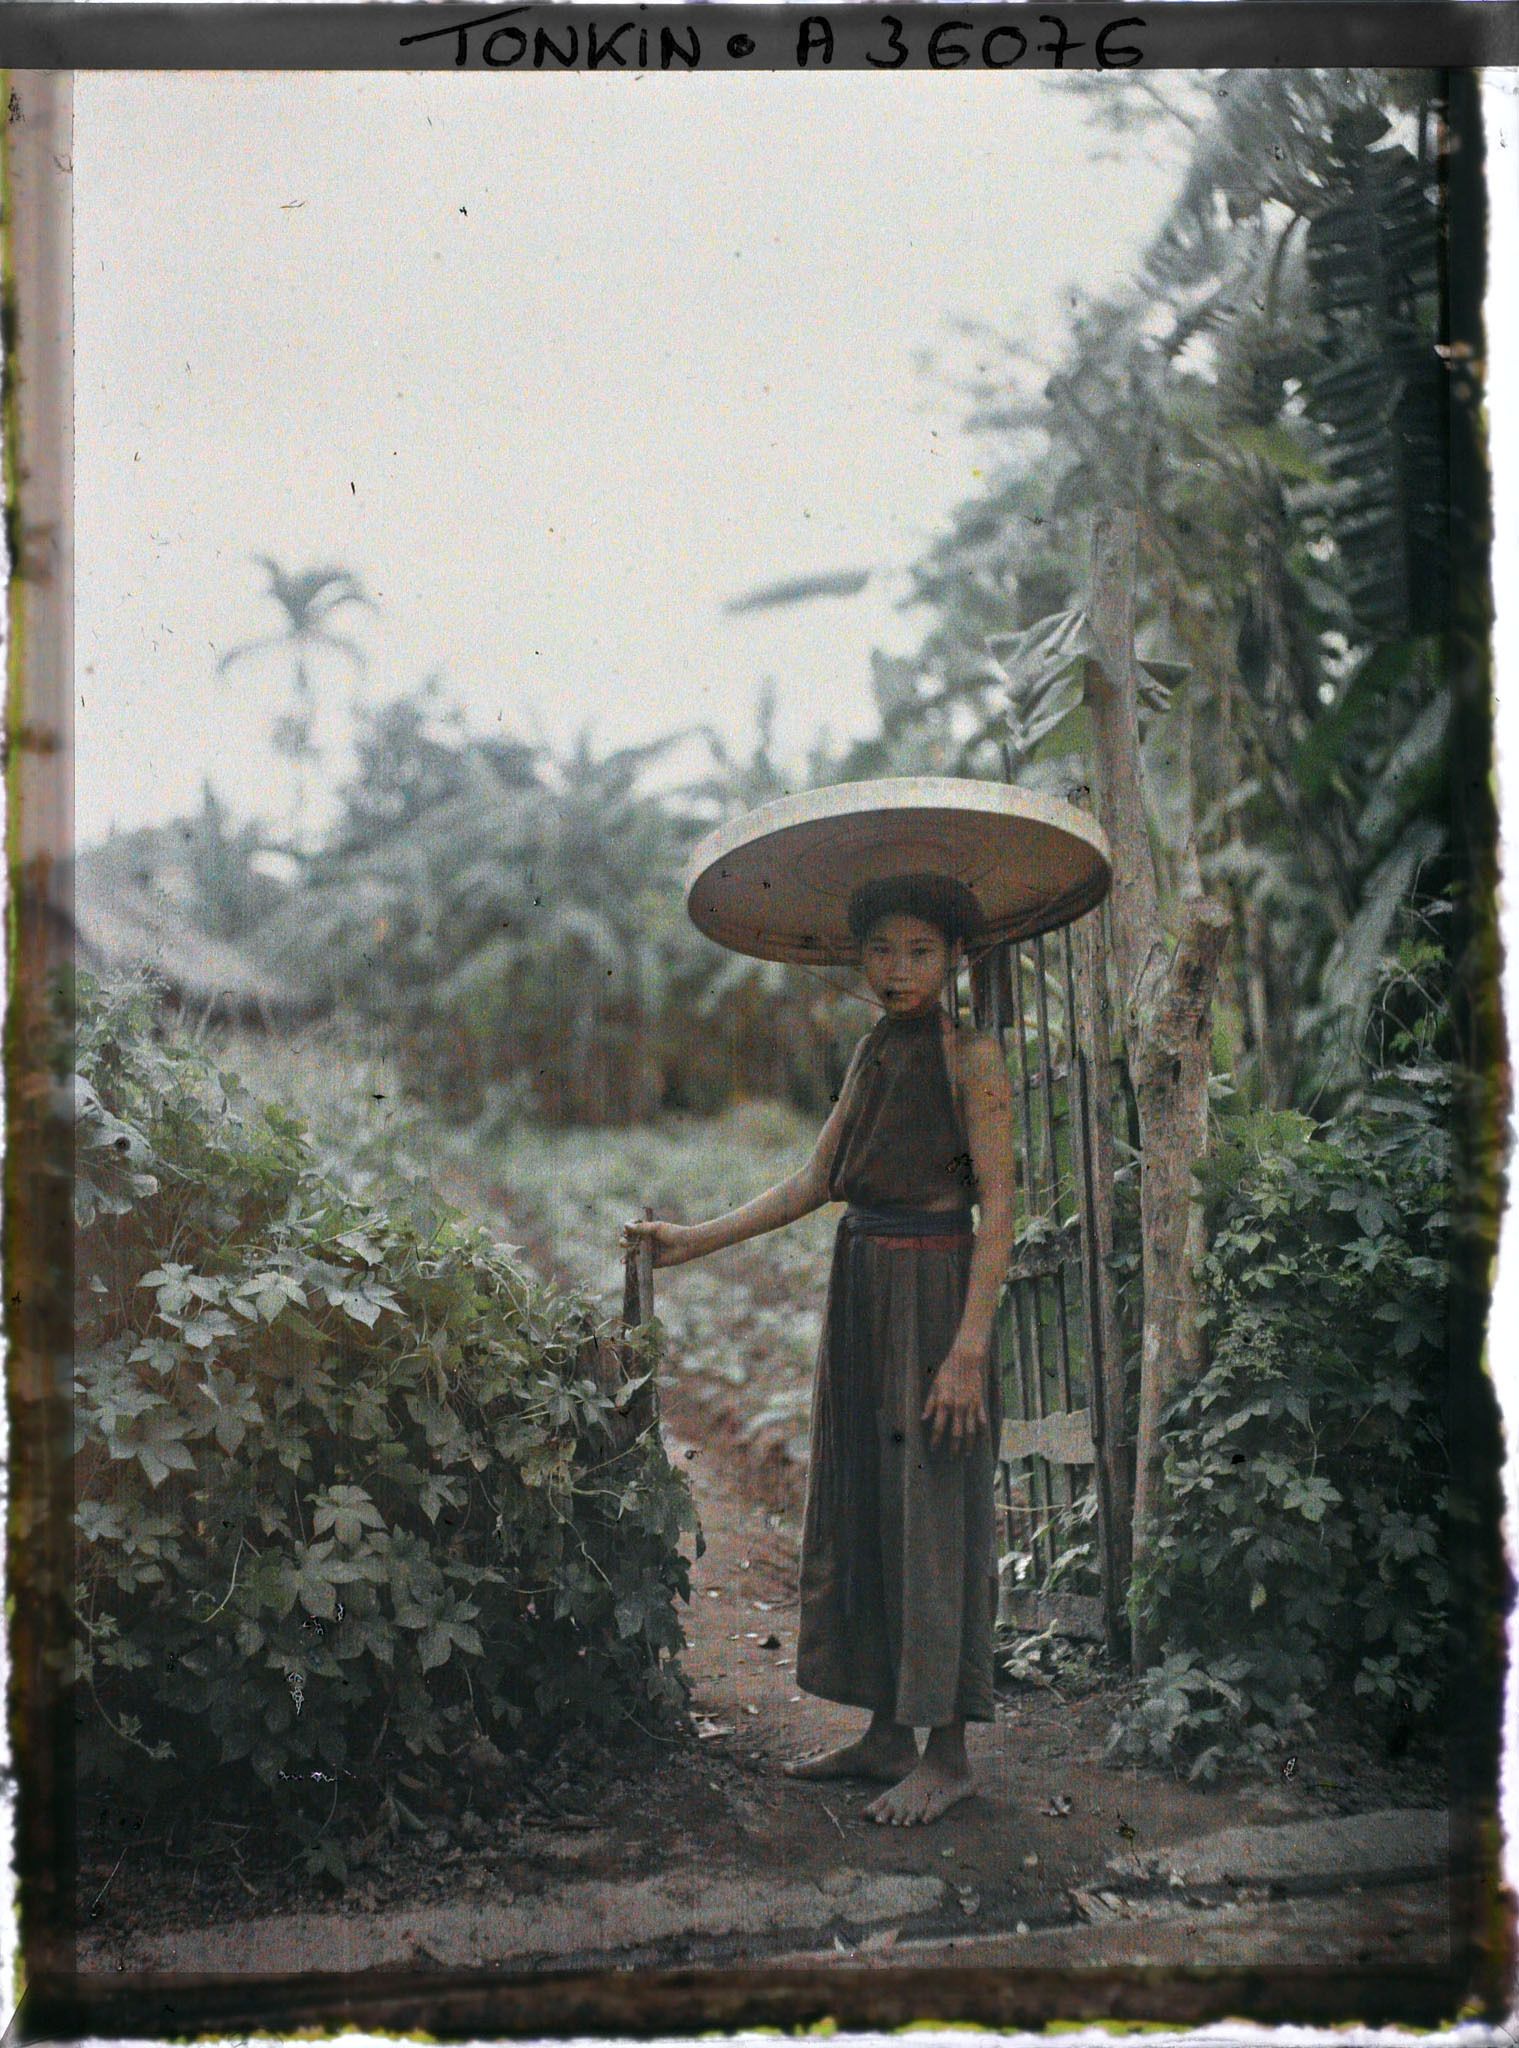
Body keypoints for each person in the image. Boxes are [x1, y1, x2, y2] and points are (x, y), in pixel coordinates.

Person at [622, 871, 1016, 1826]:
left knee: (931, 1506)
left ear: (955, 958)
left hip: (933, 1294)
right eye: (880, 950)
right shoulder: (875, 1051)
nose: (897, 969)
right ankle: (885, 1736)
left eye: (919, 952)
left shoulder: (973, 1057)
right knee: (869, 1501)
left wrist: (966, 1351)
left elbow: (1000, 1209)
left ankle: (948, 1755)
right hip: (861, 1290)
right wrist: (691, 1241)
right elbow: (814, 1180)